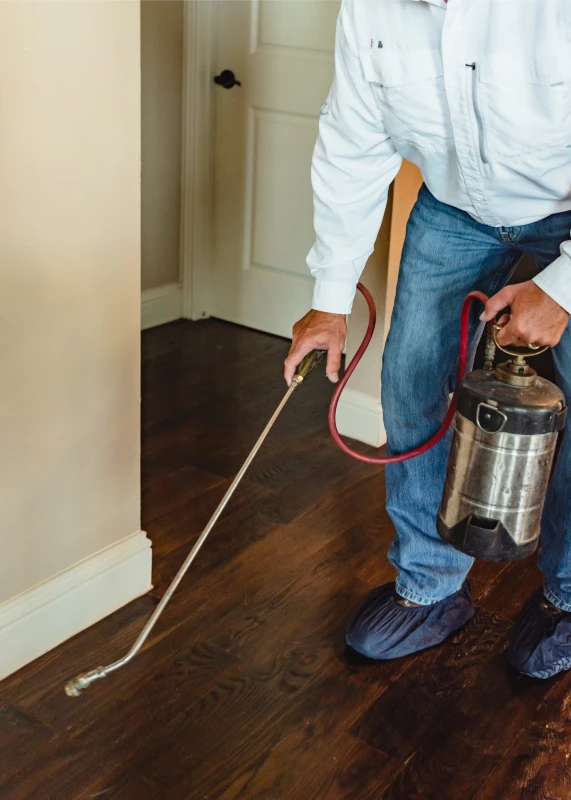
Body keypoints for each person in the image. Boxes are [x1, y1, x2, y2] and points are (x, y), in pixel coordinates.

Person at [284, 0, 571, 679]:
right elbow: (353, 143)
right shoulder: (369, 10)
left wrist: (560, 290)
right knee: (413, 379)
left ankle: (566, 596)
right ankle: (430, 586)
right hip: (457, 211)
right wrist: (327, 301)